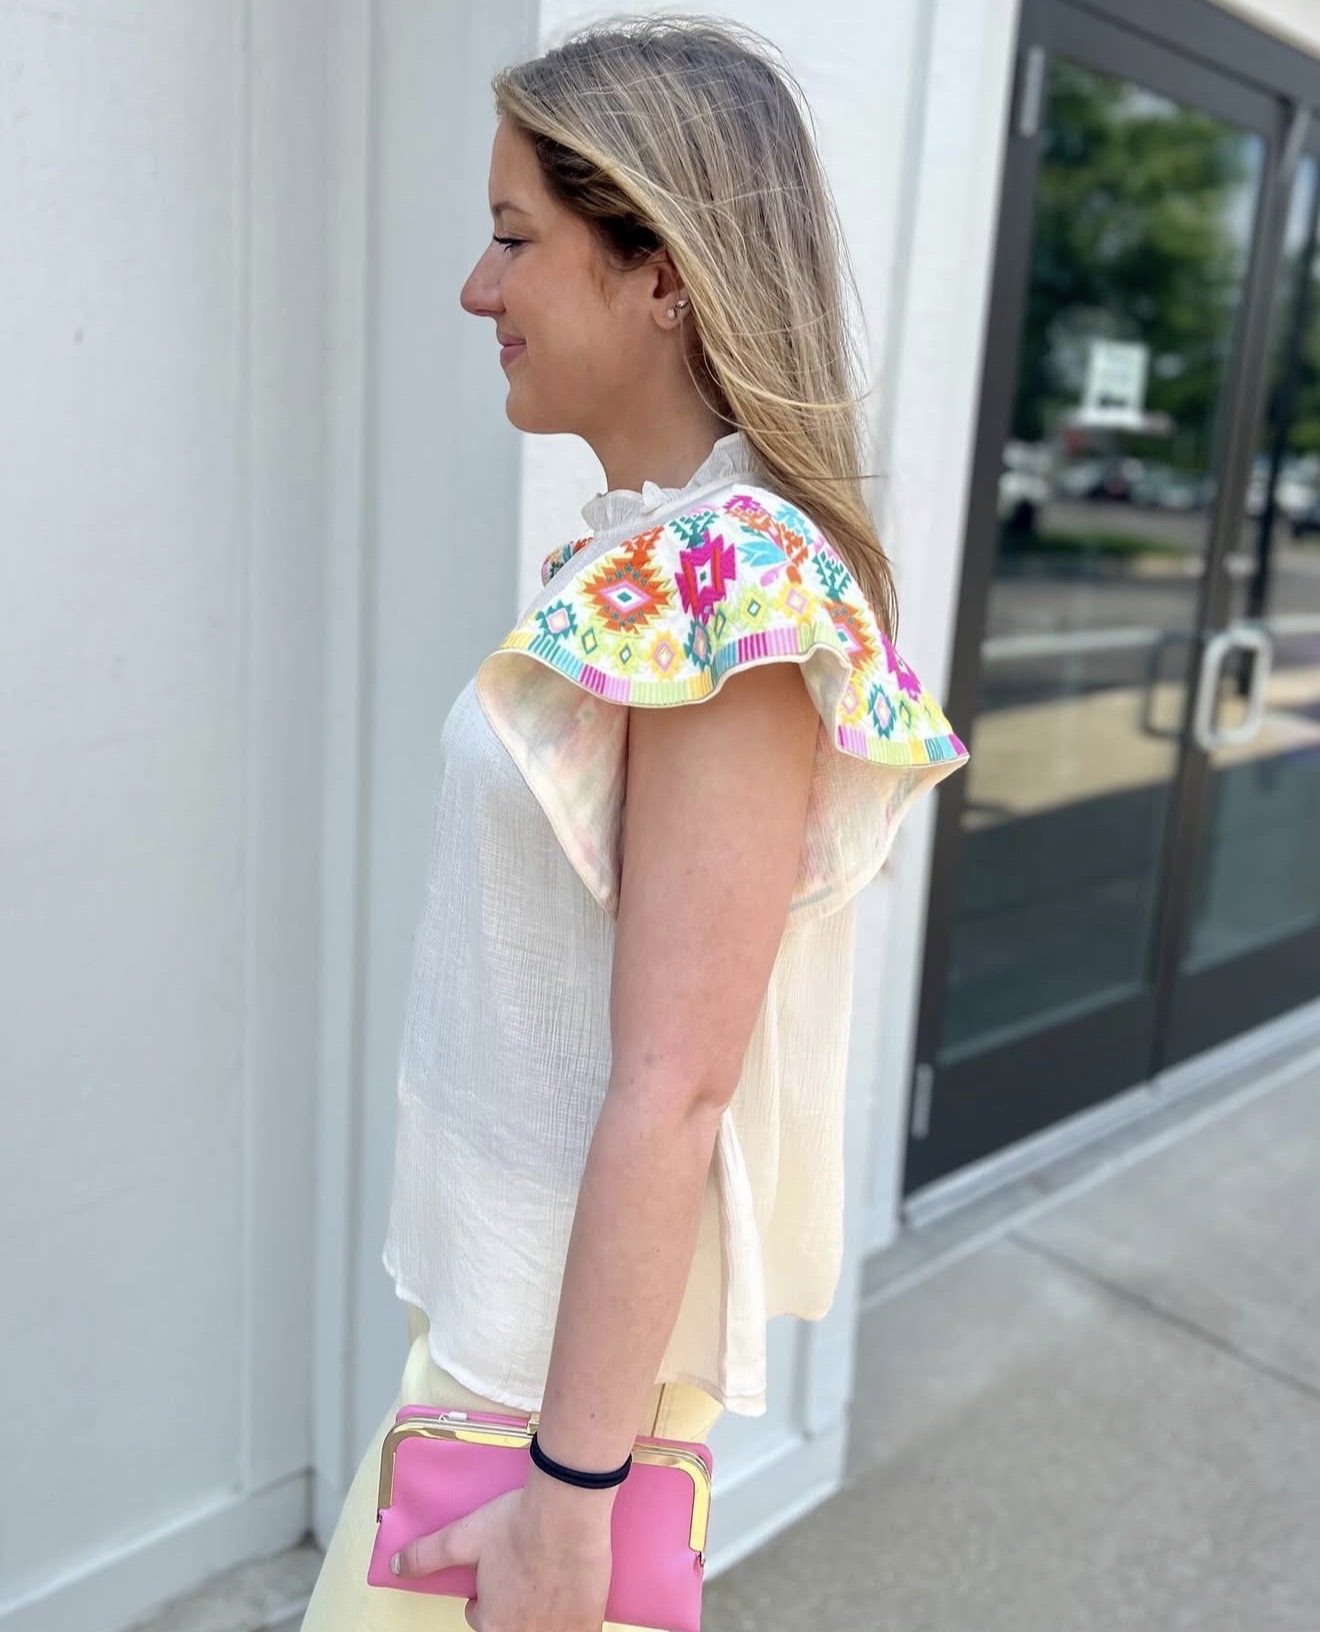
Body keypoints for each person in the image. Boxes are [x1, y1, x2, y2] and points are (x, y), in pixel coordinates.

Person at [301, 15, 968, 1632]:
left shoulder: (738, 583)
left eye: (515, 237)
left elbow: (678, 1085)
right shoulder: (656, 560)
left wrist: (568, 1505)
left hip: (549, 1413)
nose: (479, 290)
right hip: (507, 1351)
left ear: (659, 272)